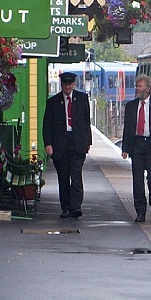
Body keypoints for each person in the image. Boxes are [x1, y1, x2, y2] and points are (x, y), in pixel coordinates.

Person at [42, 71, 92, 218]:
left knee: (76, 176)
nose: (67, 87)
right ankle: (66, 207)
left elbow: (86, 122)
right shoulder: (53, 102)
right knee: (63, 178)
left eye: (70, 84)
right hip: (60, 145)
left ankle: (76, 206)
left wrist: (88, 141)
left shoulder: (82, 99)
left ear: (74, 84)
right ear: (62, 84)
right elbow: (47, 125)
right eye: (65, 84)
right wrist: (48, 144)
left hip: (77, 143)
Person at [122, 74, 151, 222]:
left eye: (139, 86)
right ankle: (140, 211)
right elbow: (128, 128)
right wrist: (125, 148)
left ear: (148, 89)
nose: (137, 89)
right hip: (137, 145)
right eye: (136, 86)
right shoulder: (131, 106)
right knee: (137, 179)